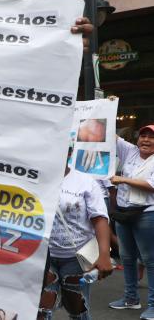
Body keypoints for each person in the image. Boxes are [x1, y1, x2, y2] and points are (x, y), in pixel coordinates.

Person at [38, 146, 113, 319]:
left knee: (76, 308)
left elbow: (100, 218)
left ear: (70, 152)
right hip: (43, 256)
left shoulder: (85, 182)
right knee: (41, 310)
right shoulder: (35, 178)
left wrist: (104, 255)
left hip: (76, 258)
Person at [108, 125, 154, 319]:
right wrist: (107, 107)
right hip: (124, 212)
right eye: (143, 135)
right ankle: (131, 298)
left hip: (146, 213)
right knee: (127, 257)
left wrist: (122, 180)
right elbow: (111, 135)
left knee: (150, 260)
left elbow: (151, 186)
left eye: (151, 137)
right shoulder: (130, 151)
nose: (146, 140)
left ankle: (153, 305)